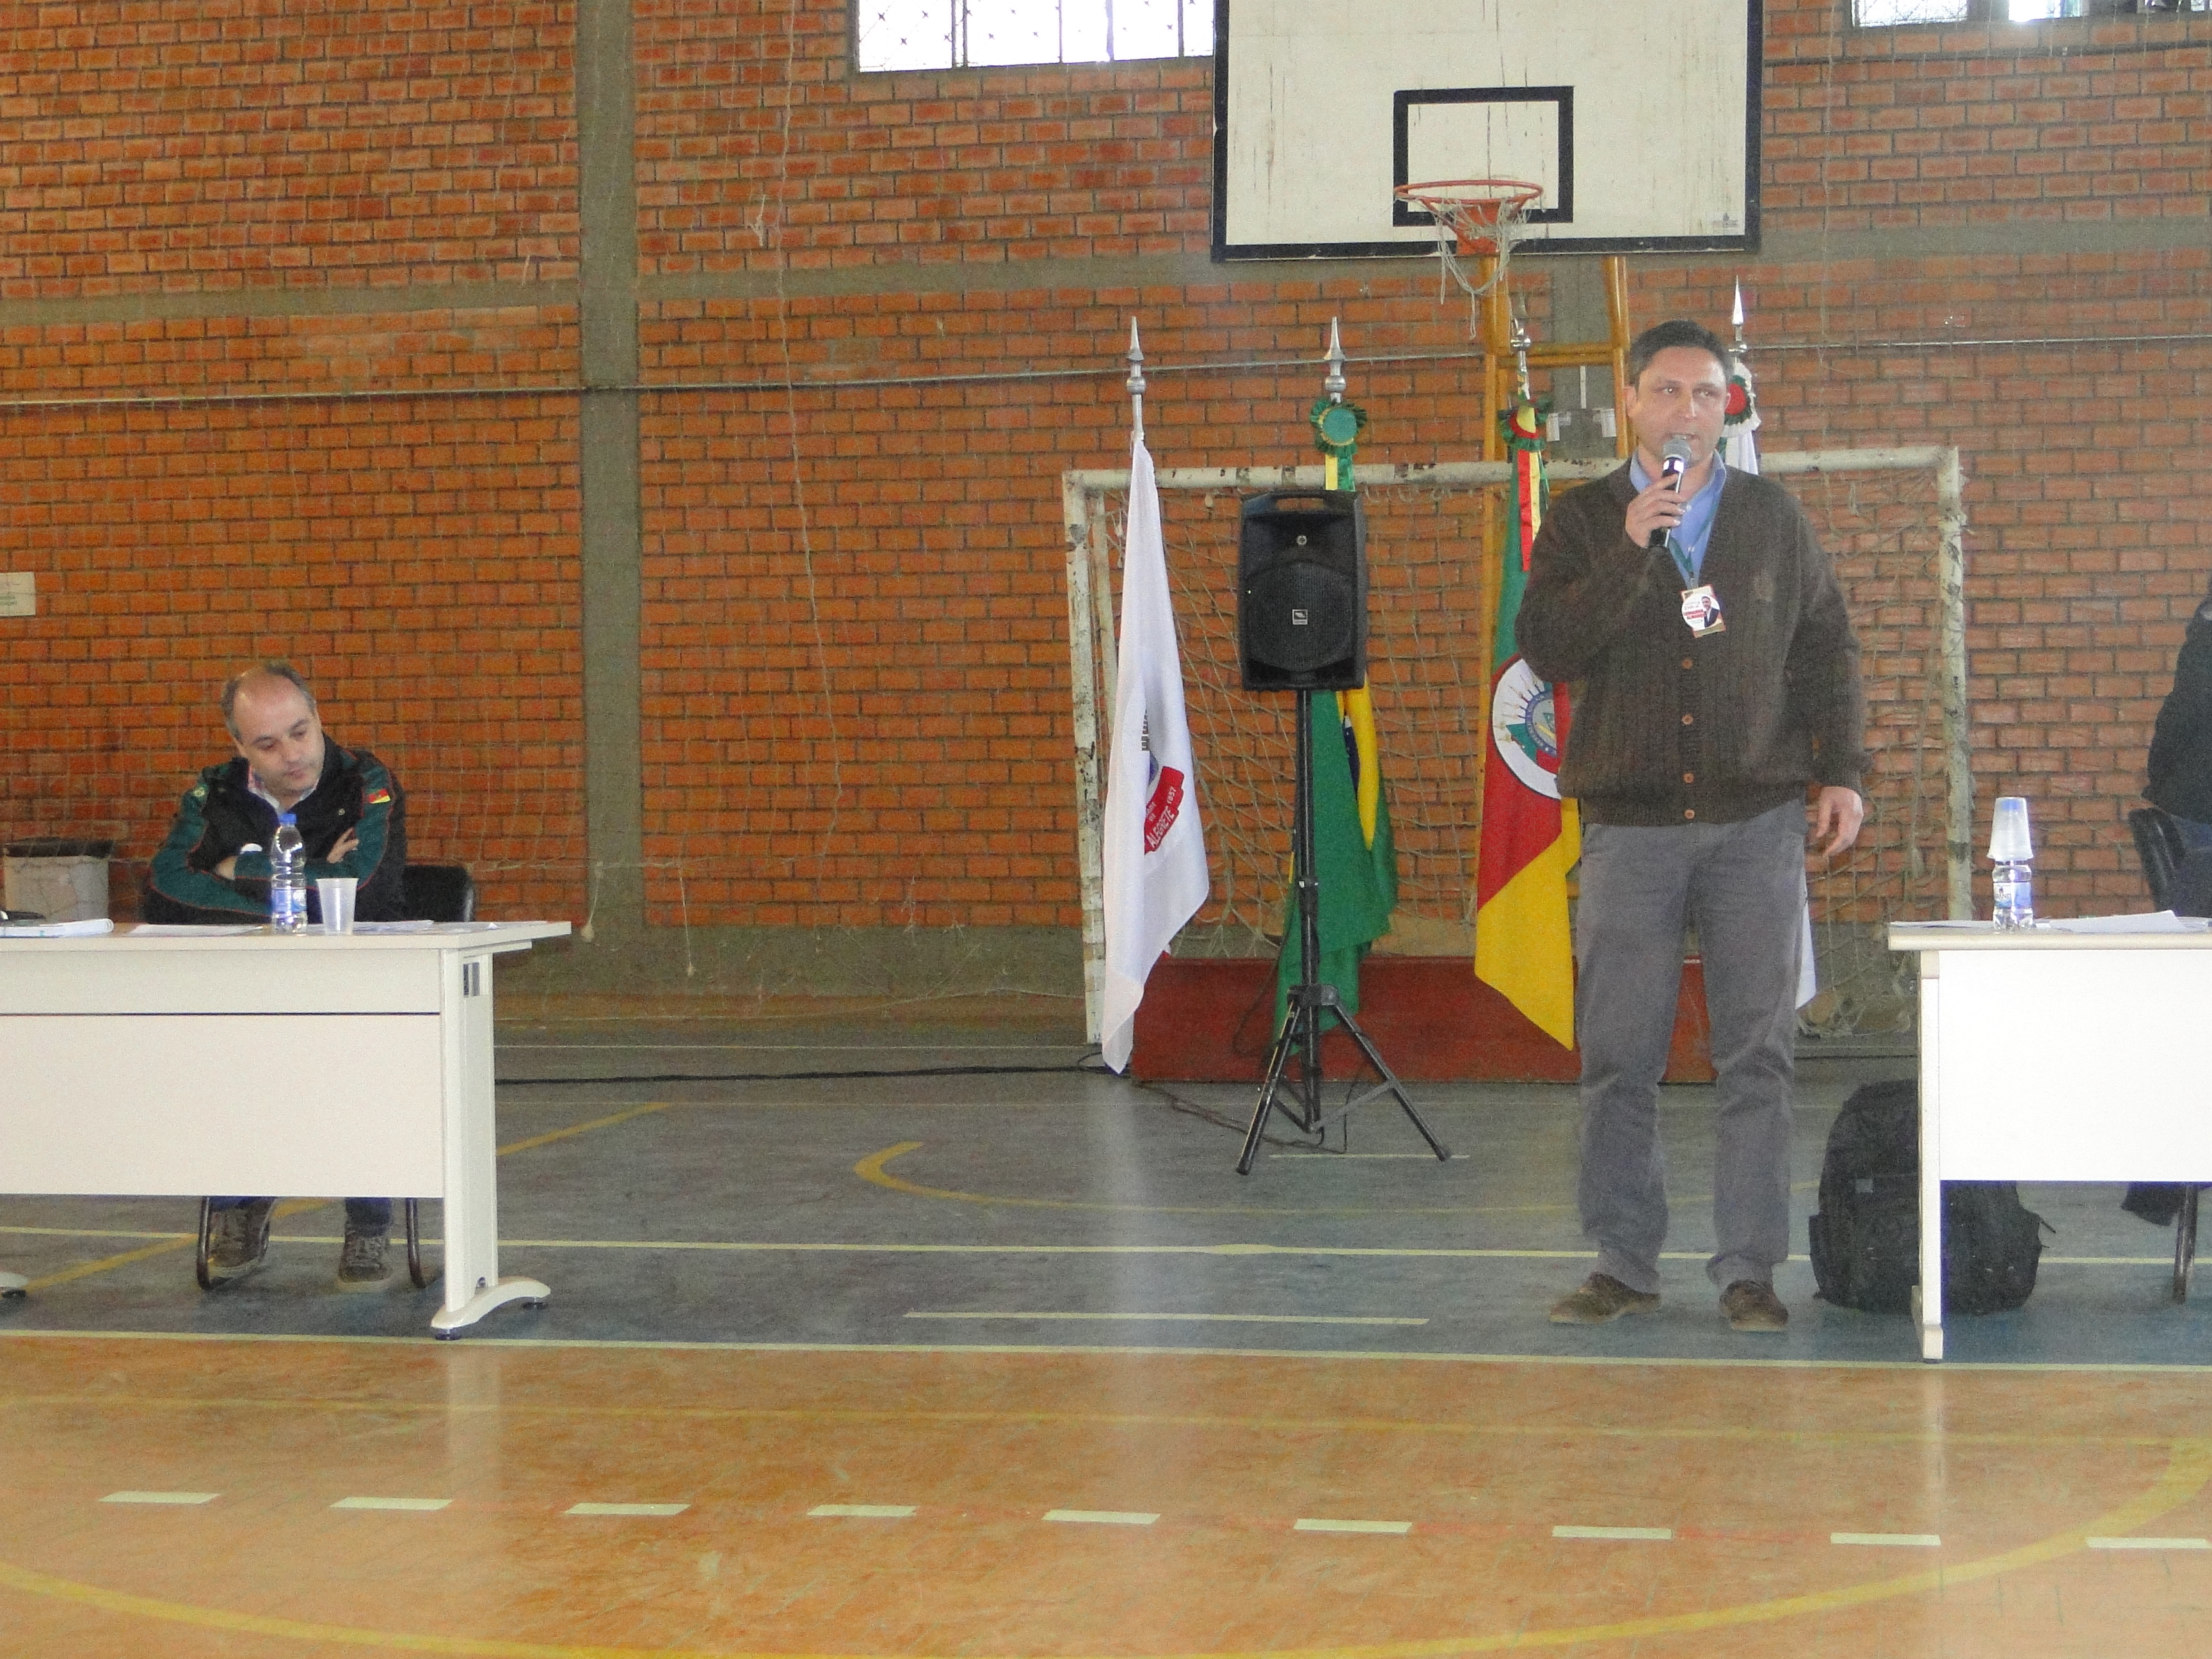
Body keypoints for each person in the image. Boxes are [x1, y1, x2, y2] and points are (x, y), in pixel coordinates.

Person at [1518, 319, 1867, 1334]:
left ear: (1727, 408)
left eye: (1707, 394)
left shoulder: (1771, 517)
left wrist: (1843, 773)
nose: (1688, 411)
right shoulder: (1584, 520)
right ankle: (1623, 1264)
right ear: (1631, 403)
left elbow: (1828, 649)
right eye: (1668, 392)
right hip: (1630, 831)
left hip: (1755, 823)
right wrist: (1631, 549)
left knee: (1757, 1055)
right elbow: (1547, 648)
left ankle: (1749, 1270)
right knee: (1619, 1056)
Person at [143, 661, 410, 1289]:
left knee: (357, 1071)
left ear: (318, 717)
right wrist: (307, 878)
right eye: (267, 744)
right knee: (225, 1065)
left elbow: (364, 891)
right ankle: (240, 1204)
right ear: (239, 746)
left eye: (300, 732)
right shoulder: (214, 794)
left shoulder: (367, 782)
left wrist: (240, 869)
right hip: (248, 989)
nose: (292, 755)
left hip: (356, 988)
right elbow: (164, 890)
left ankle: (369, 1220)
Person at [2145, 586, 2212, 917]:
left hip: (2190, 796)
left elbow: (2176, 717)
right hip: (2200, 800)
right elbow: (2183, 715)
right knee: (2198, 912)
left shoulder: (2202, 640)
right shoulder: (2204, 647)